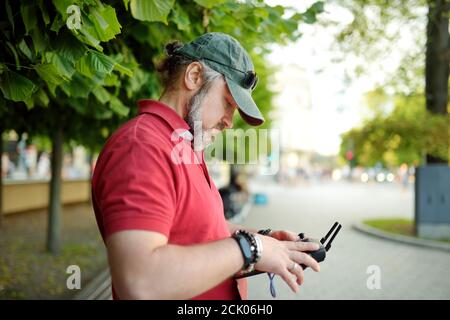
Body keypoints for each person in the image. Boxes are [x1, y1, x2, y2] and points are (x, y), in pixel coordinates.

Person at [91, 32, 320, 300]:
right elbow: (140, 280)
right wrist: (251, 248)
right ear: (194, 76)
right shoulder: (142, 146)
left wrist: (267, 241)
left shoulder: (183, 144)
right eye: (227, 103)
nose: (229, 122)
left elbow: (202, 230)